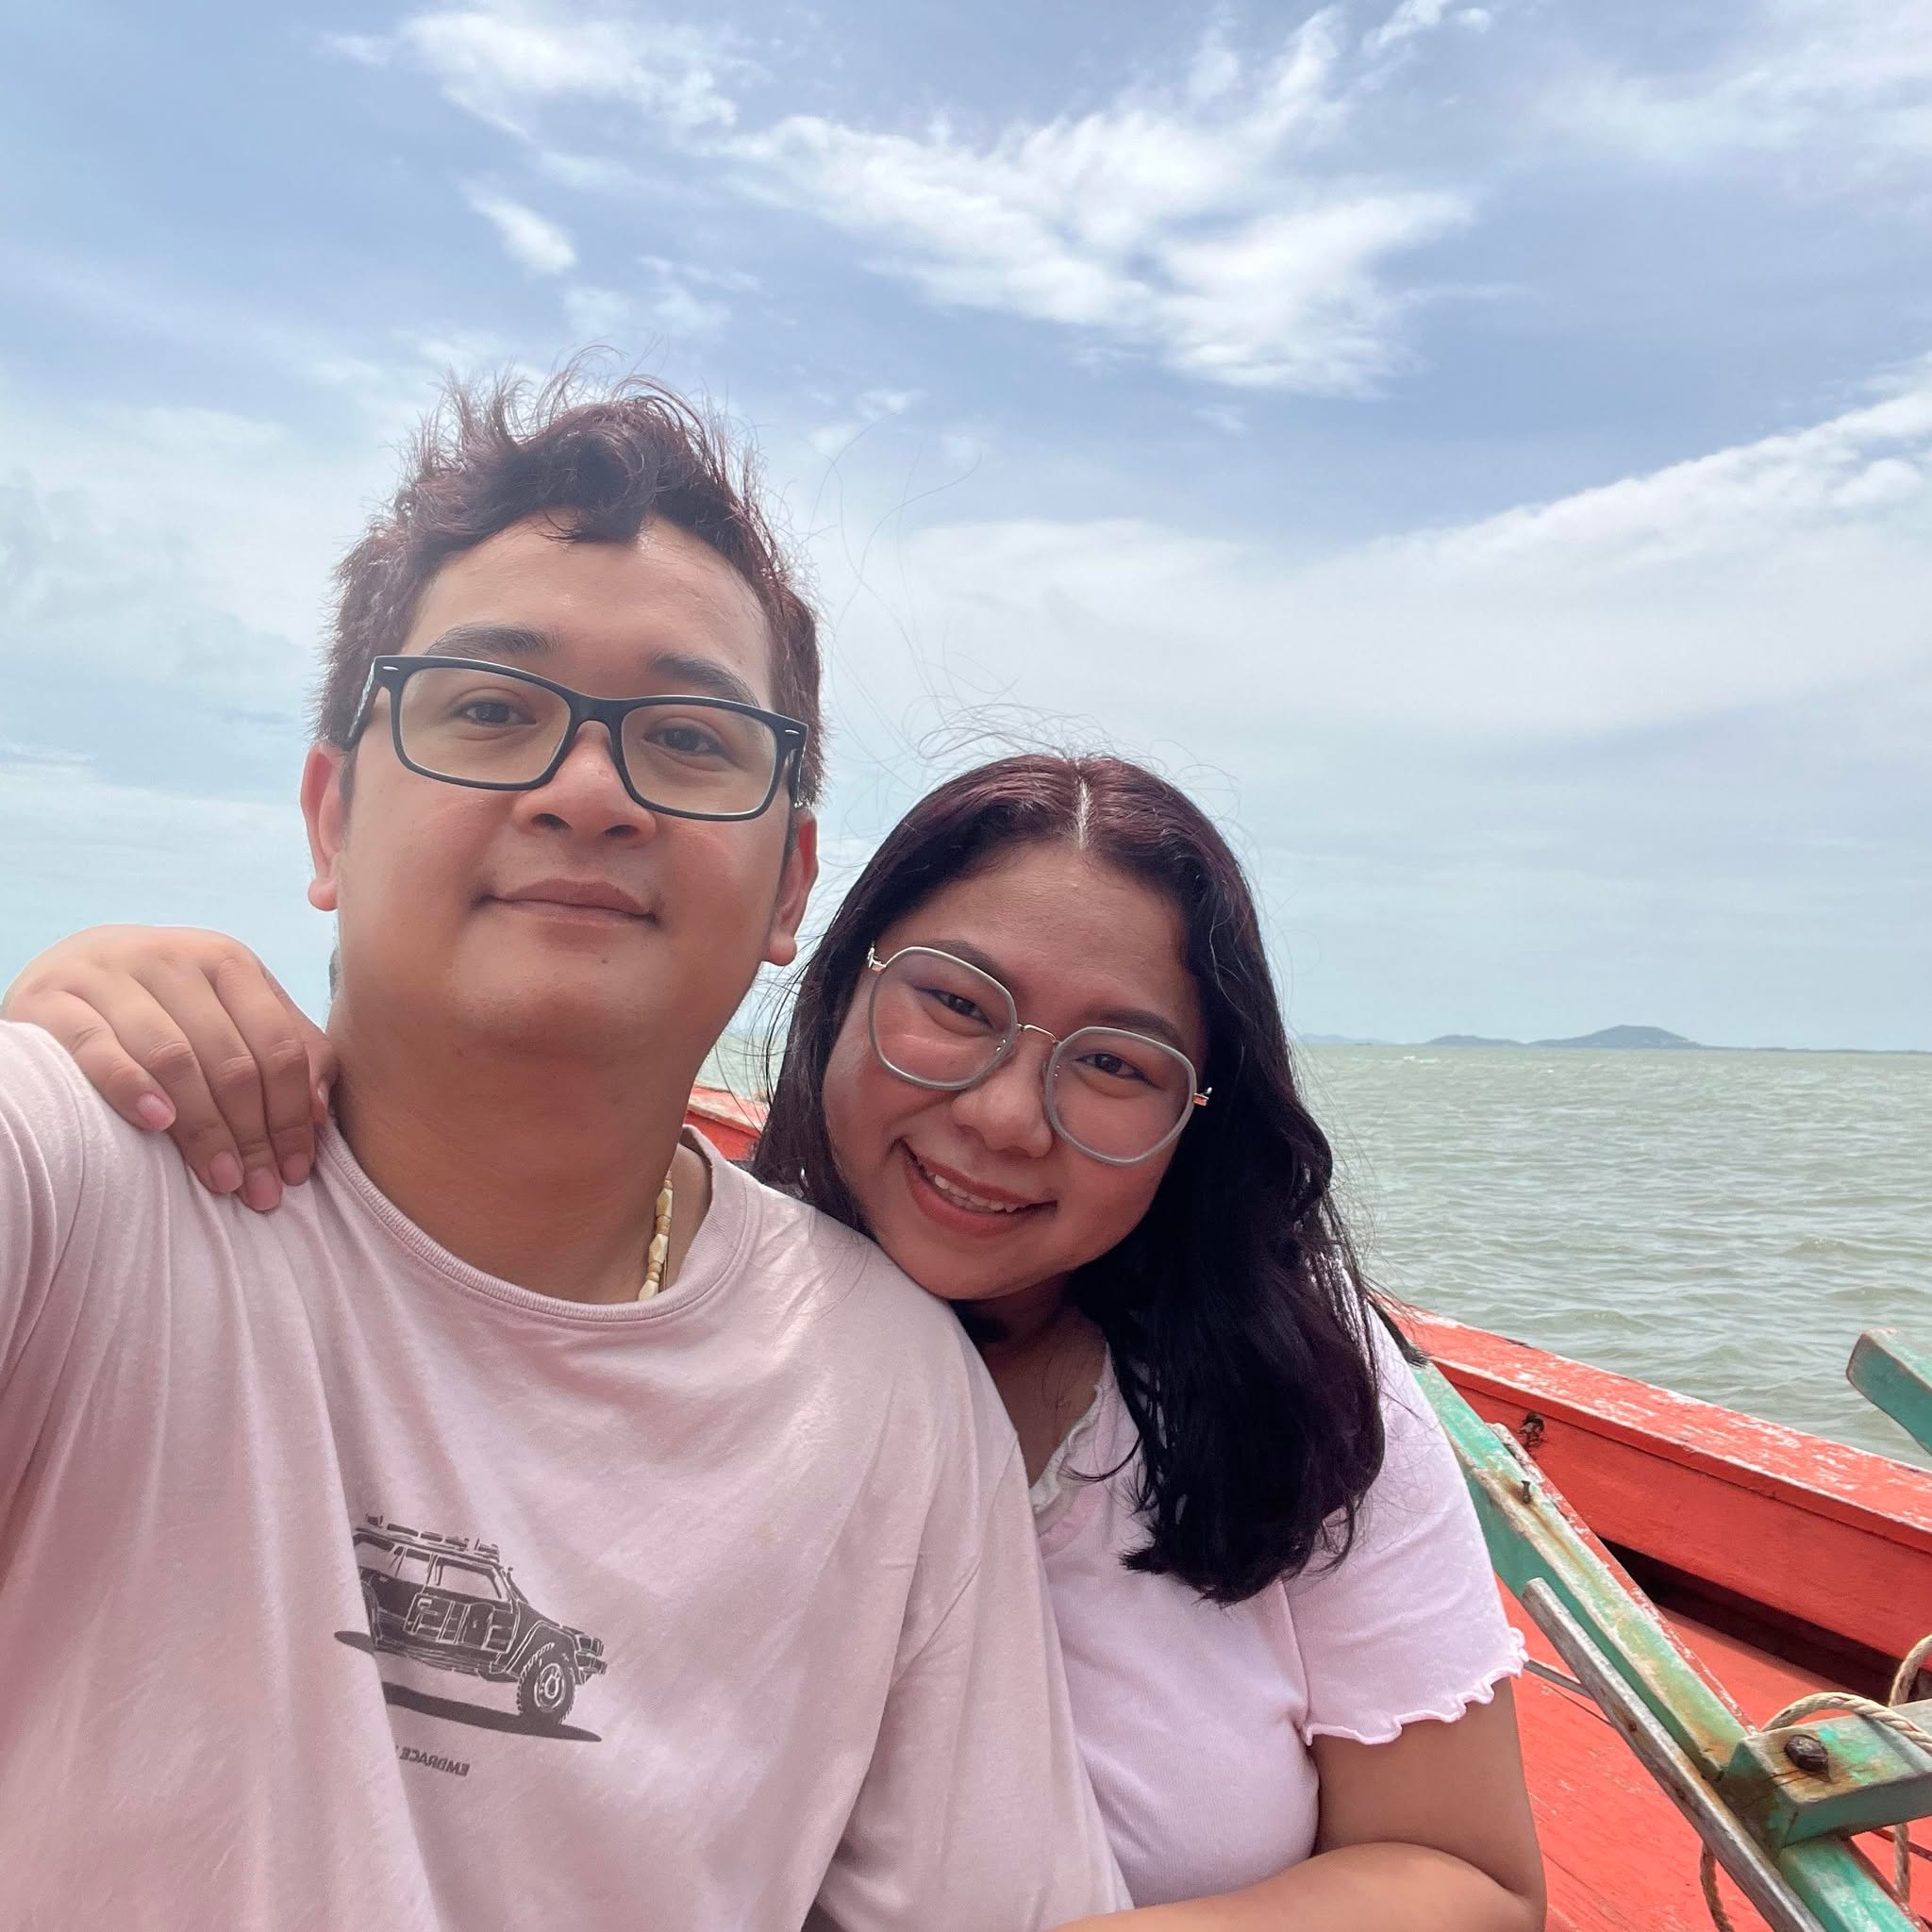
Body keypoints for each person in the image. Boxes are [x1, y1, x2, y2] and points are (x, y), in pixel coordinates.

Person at [13, 757, 1547, 1930]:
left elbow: (1470, 1880)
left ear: (1194, 1118)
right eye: (956, 1004)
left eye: (1117, 1065)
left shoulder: (1297, 1400)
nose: (1008, 1116)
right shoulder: (664, 1311)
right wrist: (96, 1033)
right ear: (835, 987)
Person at [0, 374, 1128, 1930]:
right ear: (331, 818)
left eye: (690, 738)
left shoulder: (887, 1392)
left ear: (791, 884)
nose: (586, 791)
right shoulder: (87, 1174)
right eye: (488, 710)